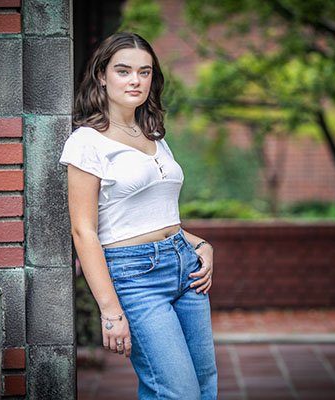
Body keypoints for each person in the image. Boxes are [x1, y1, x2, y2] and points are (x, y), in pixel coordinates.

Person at [59, 32, 218, 399]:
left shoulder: (154, 135)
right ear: (101, 75)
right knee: (177, 391)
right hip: (135, 276)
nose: (135, 80)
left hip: (185, 268)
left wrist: (202, 245)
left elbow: (157, 217)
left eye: (144, 72)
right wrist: (110, 311)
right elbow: (83, 231)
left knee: (205, 385)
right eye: (124, 71)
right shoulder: (87, 141)